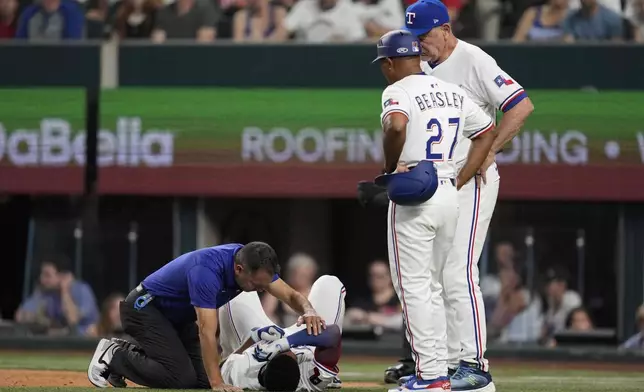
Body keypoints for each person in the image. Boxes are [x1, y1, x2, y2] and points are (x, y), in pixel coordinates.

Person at [384, 1, 534, 391]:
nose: (419, 44)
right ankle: (442, 362)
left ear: (446, 29)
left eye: (426, 36)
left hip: (472, 178)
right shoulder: (422, 67)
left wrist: (489, 153)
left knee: (458, 271)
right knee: (431, 275)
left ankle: (474, 363)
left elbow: (520, 106)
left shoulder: (472, 59)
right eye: (414, 38)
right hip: (443, 183)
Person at [373, 29, 496, 392]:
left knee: (414, 288)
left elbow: (396, 126)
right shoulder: (450, 89)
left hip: (415, 194)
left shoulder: (396, 90)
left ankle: (431, 377)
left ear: (390, 62)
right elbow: (487, 130)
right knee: (435, 286)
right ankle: (439, 368)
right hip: (447, 190)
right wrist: (463, 175)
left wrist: (389, 165)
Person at [87, 242, 325, 391]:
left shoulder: (253, 266)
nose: (262, 289)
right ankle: (114, 354)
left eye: (265, 283)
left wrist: (309, 310)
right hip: (144, 310)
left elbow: (291, 295)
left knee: (200, 383)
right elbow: (206, 332)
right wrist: (218, 384)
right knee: (180, 378)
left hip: (175, 318)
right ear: (239, 270)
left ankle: (127, 360)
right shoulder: (206, 272)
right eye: (256, 284)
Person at [218, 275, 346, 391]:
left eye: (279, 354)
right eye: (289, 354)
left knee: (235, 292)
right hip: (311, 338)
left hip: (259, 337)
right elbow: (332, 333)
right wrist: (284, 343)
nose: (288, 350)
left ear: (266, 366)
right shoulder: (310, 379)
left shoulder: (244, 373)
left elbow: (221, 368)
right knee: (329, 283)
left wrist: (254, 337)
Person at [15, 256, 99, 336]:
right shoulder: (45, 293)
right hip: (60, 342)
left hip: (86, 342)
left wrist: (65, 291)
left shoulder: (81, 290)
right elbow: (20, 316)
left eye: (47, 275)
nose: (42, 279)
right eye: (41, 274)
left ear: (63, 276)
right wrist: (41, 319)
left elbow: (72, 320)